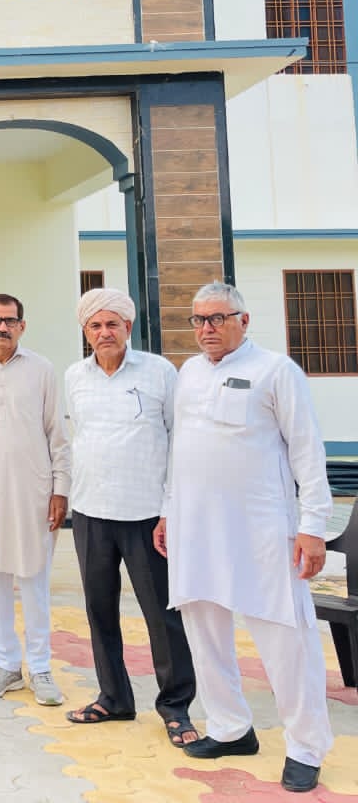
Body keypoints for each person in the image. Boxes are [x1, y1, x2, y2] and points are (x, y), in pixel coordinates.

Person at [156, 281, 334, 793]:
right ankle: (230, 728)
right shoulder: (188, 373)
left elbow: (307, 451)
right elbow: (180, 450)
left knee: (286, 637)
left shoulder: (277, 371)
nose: (206, 329)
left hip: (261, 529)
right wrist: (168, 512)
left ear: (244, 320)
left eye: (218, 318)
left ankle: (306, 747)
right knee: (204, 630)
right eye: (199, 320)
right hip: (195, 526)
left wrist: (312, 527)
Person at [63, 288, 197, 745]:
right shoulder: (74, 377)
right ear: (86, 332)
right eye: (95, 326)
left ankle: (175, 707)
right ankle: (114, 697)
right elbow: (79, 437)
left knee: (162, 614)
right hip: (90, 512)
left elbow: (178, 441)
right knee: (99, 610)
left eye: (112, 324)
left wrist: (169, 510)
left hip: (146, 516)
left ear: (128, 328)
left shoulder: (159, 372)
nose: (105, 333)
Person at [0, 294, 70, 707]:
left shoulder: (42, 369)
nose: (3, 328)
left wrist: (60, 489)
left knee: (34, 581)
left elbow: (56, 433)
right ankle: (6, 665)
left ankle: (40, 668)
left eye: (10, 321)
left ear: (22, 325)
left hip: (34, 492)